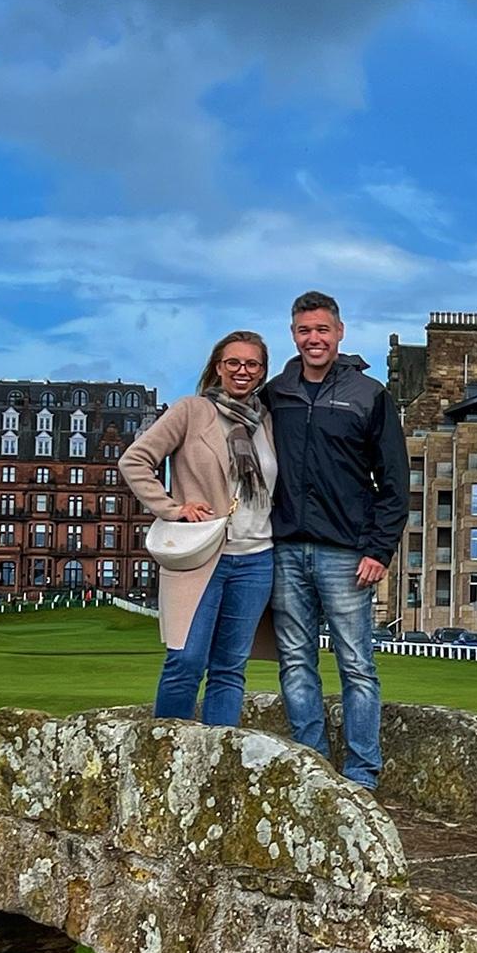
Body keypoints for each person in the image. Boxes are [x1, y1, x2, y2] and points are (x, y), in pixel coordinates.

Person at [264, 290, 406, 789]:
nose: (313, 339)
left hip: (347, 552)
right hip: (284, 547)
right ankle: (314, 768)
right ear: (293, 334)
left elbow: (394, 481)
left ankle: (362, 775)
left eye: (322, 329)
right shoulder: (276, 393)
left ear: (339, 332)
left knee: (357, 665)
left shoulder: (368, 394)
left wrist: (379, 548)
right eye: (304, 330)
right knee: (296, 663)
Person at [120, 331, 278, 724]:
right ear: (217, 368)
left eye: (252, 364)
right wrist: (172, 508)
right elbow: (135, 460)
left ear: (262, 372)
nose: (242, 371)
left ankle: (216, 758)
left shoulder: (268, 422)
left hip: (256, 558)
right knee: (186, 659)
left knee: (230, 668)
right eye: (233, 363)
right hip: (200, 555)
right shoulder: (191, 411)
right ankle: (167, 752)